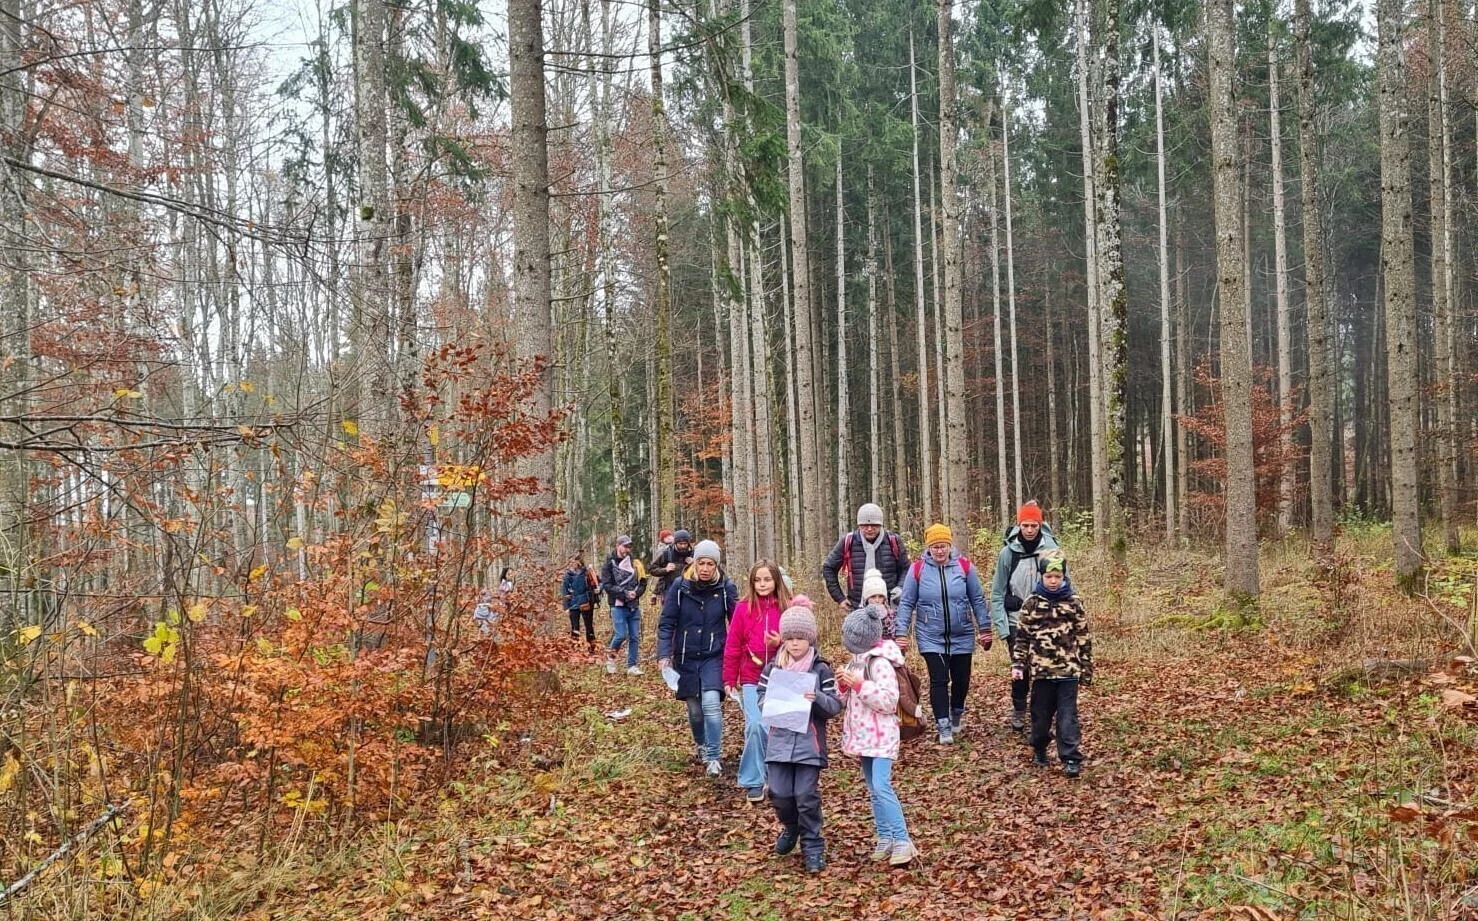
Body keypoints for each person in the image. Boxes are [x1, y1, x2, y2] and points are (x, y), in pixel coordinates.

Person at [895, 523, 998, 745]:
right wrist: (901, 633)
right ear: (929, 548)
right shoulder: (917, 570)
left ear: (949, 545)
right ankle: (943, 724)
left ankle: (956, 712)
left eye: (943, 546)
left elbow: (978, 599)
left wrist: (985, 628)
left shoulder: (965, 567)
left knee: (961, 680)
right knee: (938, 680)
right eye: (935, 547)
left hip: (962, 633)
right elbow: (906, 603)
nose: (939, 551)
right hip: (930, 635)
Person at [757, 605, 842, 874]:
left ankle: (813, 846)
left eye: (800, 638)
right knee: (779, 793)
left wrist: (816, 698)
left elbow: (835, 706)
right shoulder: (773, 667)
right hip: (779, 742)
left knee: (806, 795)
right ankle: (791, 827)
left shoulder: (821, 670)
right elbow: (760, 699)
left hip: (809, 744)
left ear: (810, 638)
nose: (795, 643)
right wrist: (770, 702)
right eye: (790, 637)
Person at [836, 603, 919, 867]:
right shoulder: (856, 661)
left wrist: (859, 684)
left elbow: (888, 700)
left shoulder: (881, 663)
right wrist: (843, 685)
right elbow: (845, 699)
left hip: (882, 735)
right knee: (873, 789)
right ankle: (885, 837)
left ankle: (903, 840)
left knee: (882, 786)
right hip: (863, 736)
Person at [657, 540, 738, 777]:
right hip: (686, 657)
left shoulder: (726, 588)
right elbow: (667, 623)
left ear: (716, 565)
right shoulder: (680, 587)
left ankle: (713, 756)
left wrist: (741, 655)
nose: (704, 568)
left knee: (712, 703)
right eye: (701, 562)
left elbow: (737, 623)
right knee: (695, 711)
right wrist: (664, 654)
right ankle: (701, 745)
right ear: (695, 563)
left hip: (714, 655)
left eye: (710, 564)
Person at [1011, 551, 1093, 778]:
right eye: (1049, 577)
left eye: (1058, 576)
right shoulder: (1032, 603)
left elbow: (1084, 637)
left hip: (1068, 671)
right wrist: (1018, 664)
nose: (1054, 581)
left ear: (1064, 576)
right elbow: (1022, 637)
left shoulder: (1074, 603)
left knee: (1068, 716)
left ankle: (1070, 758)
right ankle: (1039, 746)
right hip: (1042, 672)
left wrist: (1086, 667)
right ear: (1042, 577)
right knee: (1041, 716)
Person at [722, 559, 793, 803]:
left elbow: (802, 643)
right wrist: (729, 678)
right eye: (758, 580)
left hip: (781, 677)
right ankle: (753, 779)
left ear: (776, 581)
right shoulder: (743, 608)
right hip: (752, 677)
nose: (762, 584)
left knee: (776, 728)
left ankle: (777, 778)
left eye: (767, 579)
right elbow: (732, 645)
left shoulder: (787, 608)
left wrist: (780, 643)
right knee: (755, 725)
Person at [989, 501, 1060, 730]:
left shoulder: (1051, 550)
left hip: (1045, 620)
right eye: (1025, 525)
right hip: (1015, 621)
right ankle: (1019, 708)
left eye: (1033, 526)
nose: (1029, 530)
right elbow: (997, 592)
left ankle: (1042, 712)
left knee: (1044, 668)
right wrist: (1002, 628)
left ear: (1040, 526)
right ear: (1019, 526)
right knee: (1020, 668)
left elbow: (1064, 582)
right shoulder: (1007, 554)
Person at [821, 504, 911, 611]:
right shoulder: (848, 541)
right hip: (857, 607)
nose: (869, 529)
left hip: (889, 608)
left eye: (874, 525)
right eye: (864, 525)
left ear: (881, 524)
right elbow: (828, 567)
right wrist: (839, 598)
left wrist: (900, 588)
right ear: (859, 525)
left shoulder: (893, 541)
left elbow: (906, 568)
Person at [600, 535, 647, 676]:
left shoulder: (636, 563)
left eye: (629, 546)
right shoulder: (608, 564)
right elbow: (607, 586)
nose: (627, 549)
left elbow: (643, 582)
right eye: (625, 546)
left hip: (633, 605)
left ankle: (632, 666)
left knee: (634, 636)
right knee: (621, 635)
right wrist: (624, 593)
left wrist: (636, 593)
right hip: (617, 605)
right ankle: (610, 658)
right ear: (618, 546)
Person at [560, 554, 600, 652]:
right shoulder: (567, 575)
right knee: (575, 628)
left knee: (589, 626)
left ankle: (592, 648)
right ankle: (575, 650)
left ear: (579, 562)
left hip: (586, 602)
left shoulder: (587, 572)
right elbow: (564, 591)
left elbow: (599, 582)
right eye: (572, 561)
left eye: (575, 561)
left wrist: (598, 589)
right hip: (573, 604)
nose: (573, 564)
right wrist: (566, 607)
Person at [651, 529, 695, 602]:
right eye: (680, 544)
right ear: (675, 543)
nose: (683, 546)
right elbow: (652, 569)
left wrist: (694, 564)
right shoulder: (666, 554)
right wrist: (665, 569)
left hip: (689, 591)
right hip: (669, 592)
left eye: (685, 543)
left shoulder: (694, 554)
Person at [859, 568, 897, 640]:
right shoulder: (859, 617)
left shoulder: (891, 616)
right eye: (873, 597)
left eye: (880, 596)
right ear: (867, 599)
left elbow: (894, 636)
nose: (877, 600)